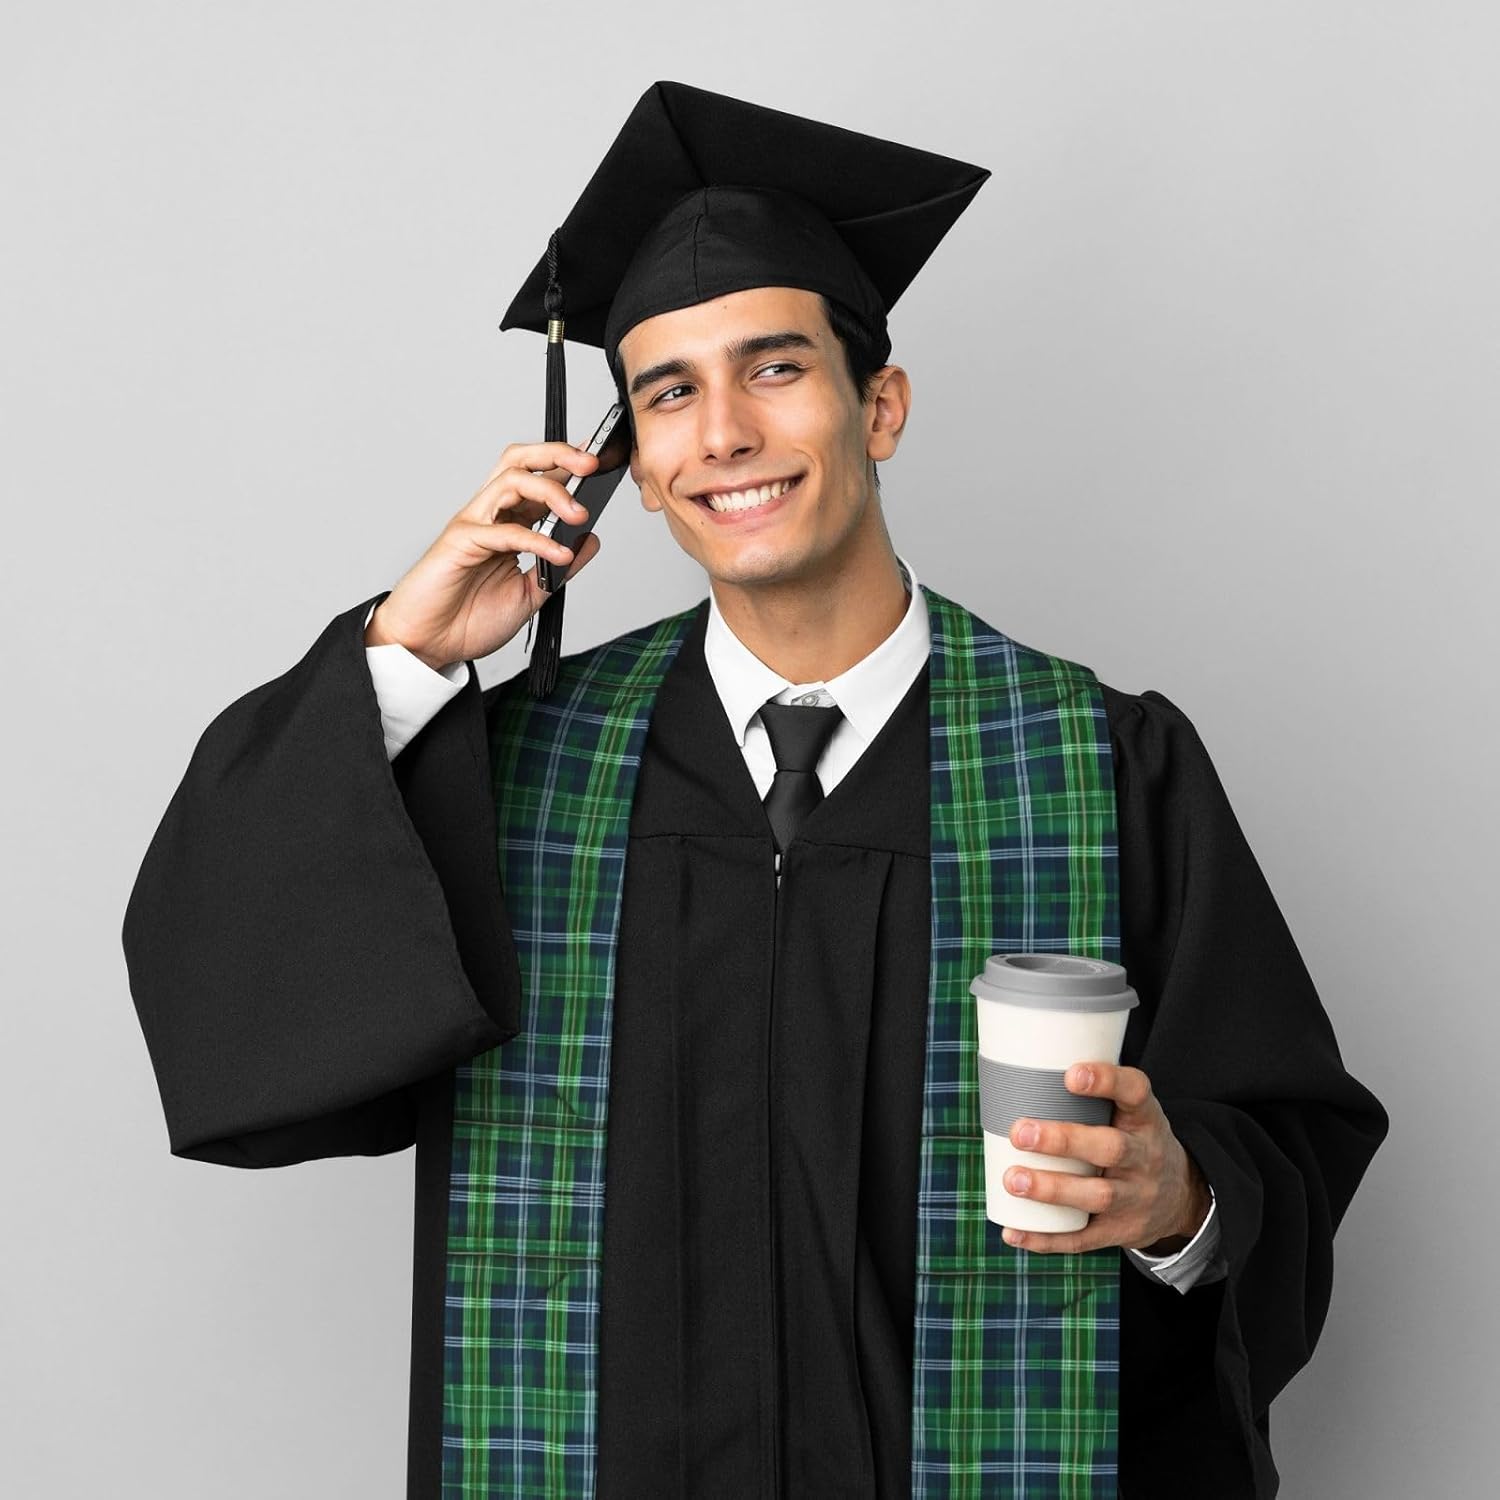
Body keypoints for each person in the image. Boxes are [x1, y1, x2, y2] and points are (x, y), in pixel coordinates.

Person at [122, 82, 1387, 1499]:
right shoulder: (523, 769)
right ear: (635, 469)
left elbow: (1282, 1141)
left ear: (880, 407)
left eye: (774, 368)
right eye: (669, 392)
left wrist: (1181, 1201)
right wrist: (405, 657)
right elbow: (237, 1004)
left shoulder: (1100, 764)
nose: (721, 431)